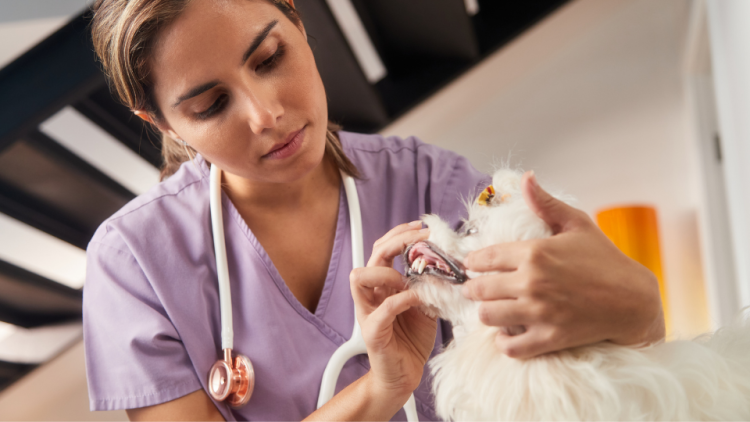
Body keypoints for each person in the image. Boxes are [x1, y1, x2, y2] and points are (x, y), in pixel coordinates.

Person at [82, 0, 665, 420]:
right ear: (159, 122)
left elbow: (607, 361)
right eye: (211, 105)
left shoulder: (433, 183)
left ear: (297, 19)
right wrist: (381, 388)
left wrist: (634, 302)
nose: (266, 115)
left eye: (268, 58)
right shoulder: (134, 264)